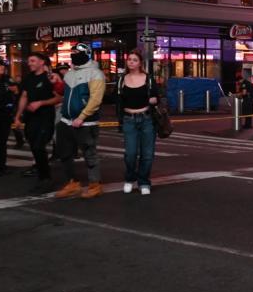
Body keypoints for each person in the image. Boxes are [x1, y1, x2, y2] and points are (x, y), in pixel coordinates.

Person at [54, 43, 106, 199]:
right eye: (73, 51)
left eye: (77, 52)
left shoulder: (95, 73)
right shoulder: (69, 74)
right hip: (66, 121)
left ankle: (95, 184)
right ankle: (73, 183)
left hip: (86, 123)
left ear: (86, 54)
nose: (73, 54)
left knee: (90, 153)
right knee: (65, 154)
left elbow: (96, 99)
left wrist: (82, 117)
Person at [13, 53, 62, 192]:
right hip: (30, 118)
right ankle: (42, 175)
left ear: (42, 62)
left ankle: (46, 178)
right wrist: (18, 116)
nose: (30, 63)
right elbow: (24, 96)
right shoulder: (28, 78)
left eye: (33, 60)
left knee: (39, 146)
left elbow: (59, 98)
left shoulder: (50, 78)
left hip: (45, 118)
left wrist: (41, 103)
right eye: (29, 61)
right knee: (34, 147)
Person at [116, 52, 159, 195]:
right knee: (130, 154)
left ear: (140, 63)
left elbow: (157, 97)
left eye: (134, 60)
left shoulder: (149, 79)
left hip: (147, 119)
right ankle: (129, 178)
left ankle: (144, 181)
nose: (131, 62)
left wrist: (154, 99)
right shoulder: (121, 79)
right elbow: (118, 102)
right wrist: (120, 121)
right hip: (129, 119)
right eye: (129, 59)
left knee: (147, 154)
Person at [7, 79, 26, 150]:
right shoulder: (9, 94)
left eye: (12, 86)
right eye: (10, 86)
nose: (10, 87)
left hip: (21, 113)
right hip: (12, 113)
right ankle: (20, 141)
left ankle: (21, 141)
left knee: (18, 128)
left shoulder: (22, 94)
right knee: (15, 128)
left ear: (16, 86)